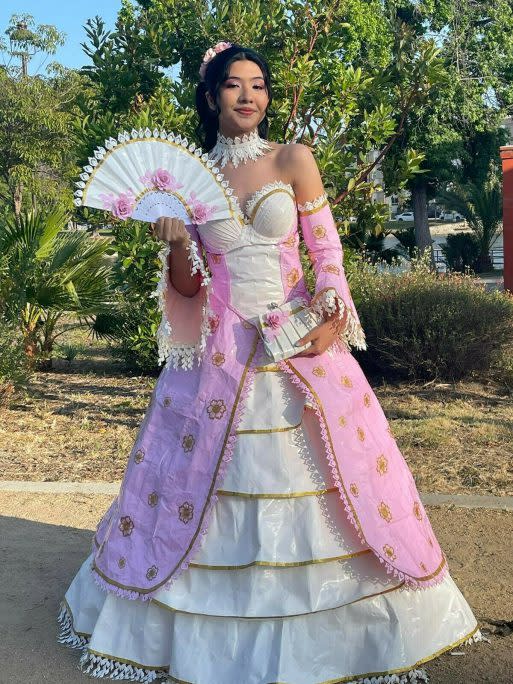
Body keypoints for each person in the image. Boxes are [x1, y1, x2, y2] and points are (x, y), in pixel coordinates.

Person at [57, 42, 482, 683]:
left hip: (298, 343)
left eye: (258, 85)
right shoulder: (186, 181)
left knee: (338, 482)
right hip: (218, 358)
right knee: (202, 484)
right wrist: (174, 245)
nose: (248, 95)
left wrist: (333, 305)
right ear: (210, 97)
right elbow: (191, 289)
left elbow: (325, 250)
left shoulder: (292, 159)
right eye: (234, 85)